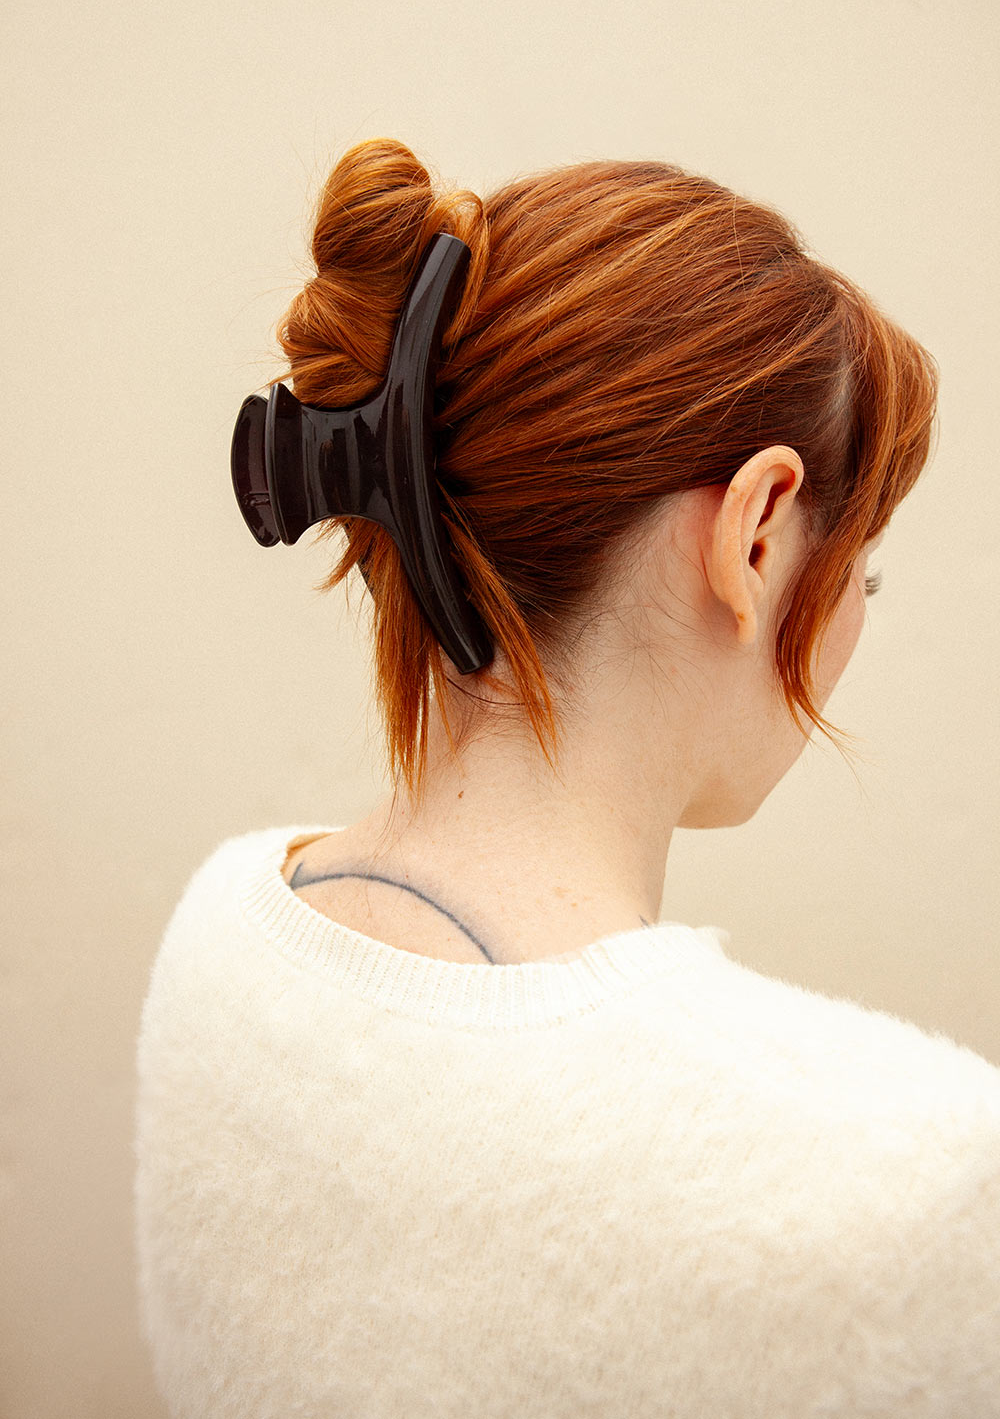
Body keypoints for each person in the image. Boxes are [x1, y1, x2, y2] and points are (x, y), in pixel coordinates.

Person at [134, 139, 1000, 1418]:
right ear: (756, 535)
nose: (854, 616)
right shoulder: (920, 1173)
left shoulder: (217, 932)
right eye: (856, 571)